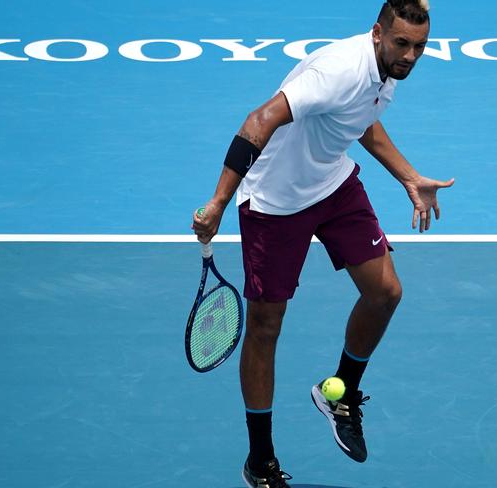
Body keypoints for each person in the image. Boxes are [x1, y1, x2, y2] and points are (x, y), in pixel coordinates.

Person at [192, 1, 453, 486]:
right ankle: (260, 460)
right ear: (377, 33)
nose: (411, 55)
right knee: (267, 327)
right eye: (402, 43)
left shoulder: (388, 70)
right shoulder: (336, 70)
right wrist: (220, 202)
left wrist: (408, 177)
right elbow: (259, 120)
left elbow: (361, 123)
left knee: (385, 293)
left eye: (420, 46)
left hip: (333, 185)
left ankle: (341, 394)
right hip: (274, 201)